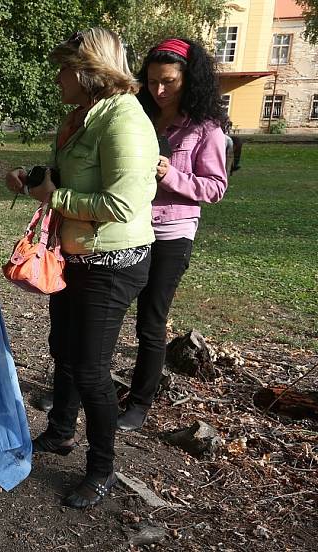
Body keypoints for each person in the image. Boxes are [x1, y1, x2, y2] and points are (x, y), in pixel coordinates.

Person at [5, 28, 158, 508]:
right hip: (75, 256)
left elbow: (125, 202)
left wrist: (56, 197)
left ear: (89, 71)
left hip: (112, 261)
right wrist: (34, 178)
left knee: (91, 368)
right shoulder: (83, 116)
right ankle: (60, 433)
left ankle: (102, 469)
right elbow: (70, 175)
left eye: (64, 68)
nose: (56, 77)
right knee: (65, 351)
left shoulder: (125, 121)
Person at [117, 38, 228, 432]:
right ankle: (81, 387)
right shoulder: (141, 117)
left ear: (189, 80)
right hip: (129, 227)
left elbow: (214, 188)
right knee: (108, 312)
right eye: (151, 82)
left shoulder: (205, 129)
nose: (158, 91)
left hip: (172, 234)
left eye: (168, 82)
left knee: (150, 320)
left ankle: (139, 402)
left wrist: (171, 174)